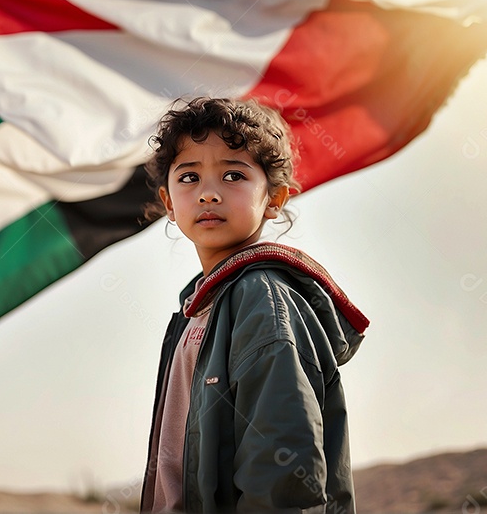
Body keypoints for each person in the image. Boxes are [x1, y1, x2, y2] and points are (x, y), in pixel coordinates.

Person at [138, 97, 370, 513]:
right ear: (169, 203)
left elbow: (282, 472)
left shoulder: (262, 298)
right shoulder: (197, 305)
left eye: (232, 175)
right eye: (189, 177)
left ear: (275, 199)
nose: (208, 193)